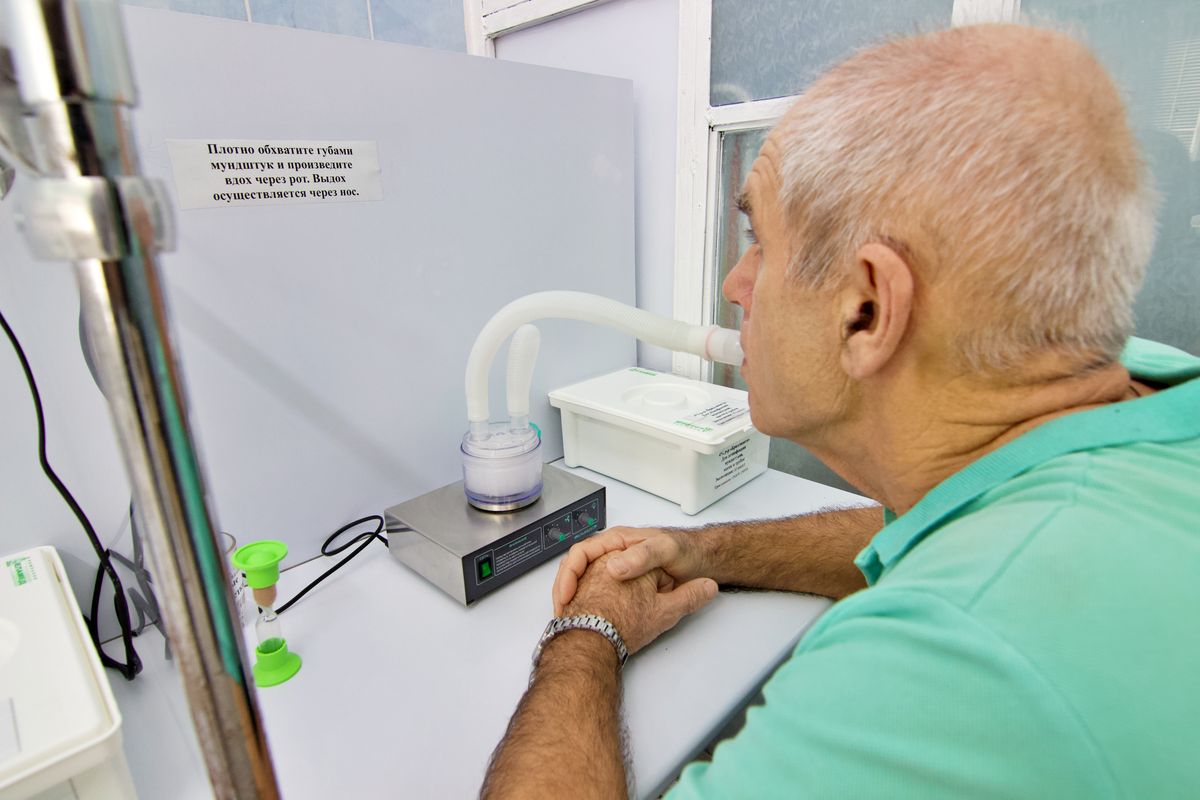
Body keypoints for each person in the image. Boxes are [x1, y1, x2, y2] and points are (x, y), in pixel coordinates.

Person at [481, 23, 1200, 799]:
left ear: (866, 310)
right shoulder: (1136, 387)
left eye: (759, 241)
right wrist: (700, 549)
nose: (734, 285)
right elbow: (927, 527)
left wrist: (589, 629)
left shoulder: (953, 664)